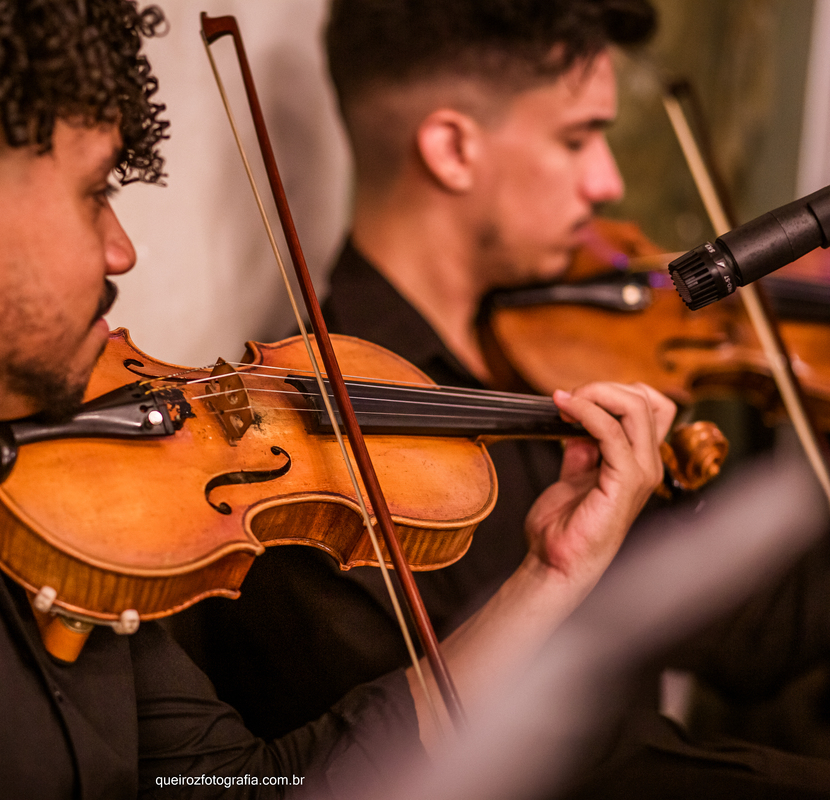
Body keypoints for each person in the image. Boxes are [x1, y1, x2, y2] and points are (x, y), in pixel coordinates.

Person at [0, 0, 673, 797]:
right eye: (95, 193)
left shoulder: (44, 499)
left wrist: (548, 577)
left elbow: (246, 783)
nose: (121, 249)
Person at [171, 0, 830, 796]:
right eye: (577, 137)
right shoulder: (312, 454)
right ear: (452, 148)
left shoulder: (556, 350)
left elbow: (757, 636)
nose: (609, 182)